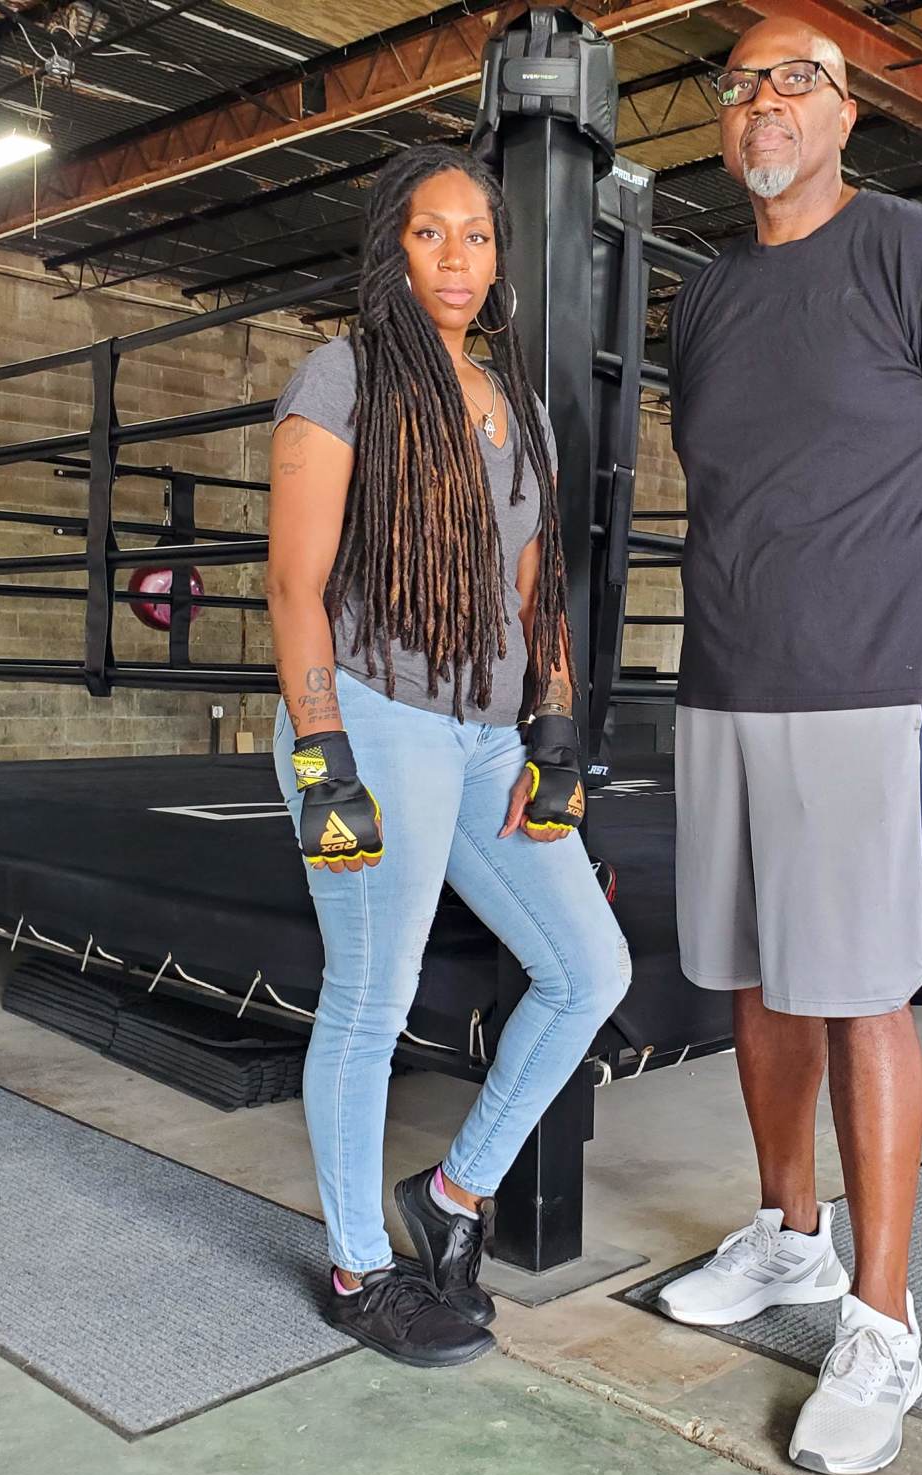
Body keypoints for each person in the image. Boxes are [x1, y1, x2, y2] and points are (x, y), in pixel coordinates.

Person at [654, 18, 922, 1475]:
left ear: (846, 115)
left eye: (796, 80)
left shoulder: (914, 252)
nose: (764, 101)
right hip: (727, 683)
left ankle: (883, 1321)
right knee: (763, 980)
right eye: (744, 83)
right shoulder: (700, 300)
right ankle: (791, 1241)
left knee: (863, 994)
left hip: (867, 693)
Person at [266, 143, 630, 1370]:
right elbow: (294, 582)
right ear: (392, 247)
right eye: (432, 234)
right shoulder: (346, 374)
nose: (458, 258)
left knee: (589, 970)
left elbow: (537, 593)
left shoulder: (515, 401)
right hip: (374, 714)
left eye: (477, 236)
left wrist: (557, 727)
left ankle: (453, 1198)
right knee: (370, 998)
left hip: (487, 736)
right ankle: (359, 1267)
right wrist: (324, 752)